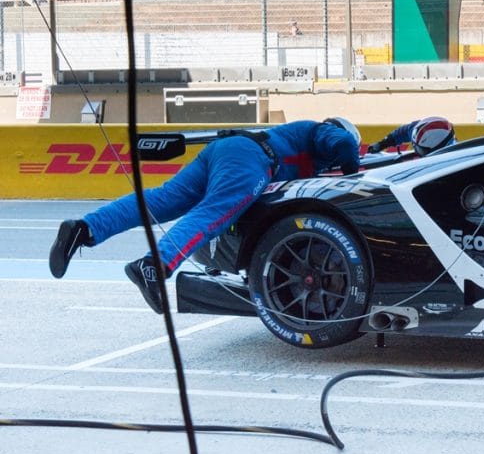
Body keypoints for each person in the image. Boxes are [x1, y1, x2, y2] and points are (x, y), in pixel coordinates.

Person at [48, 118, 362, 314]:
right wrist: (353, 173)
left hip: (226, 149)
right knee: (213, 215)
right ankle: (154, 266)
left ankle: (84, 229)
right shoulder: (326, 132)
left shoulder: (297, 137)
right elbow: (345, 144)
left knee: (164, 199)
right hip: (253, 160)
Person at [366, 116, 456, 157]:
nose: (417, 152)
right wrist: (382, 144)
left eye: (421, 150)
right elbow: (402, 132)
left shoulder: (453, 157)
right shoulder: (417, 130)